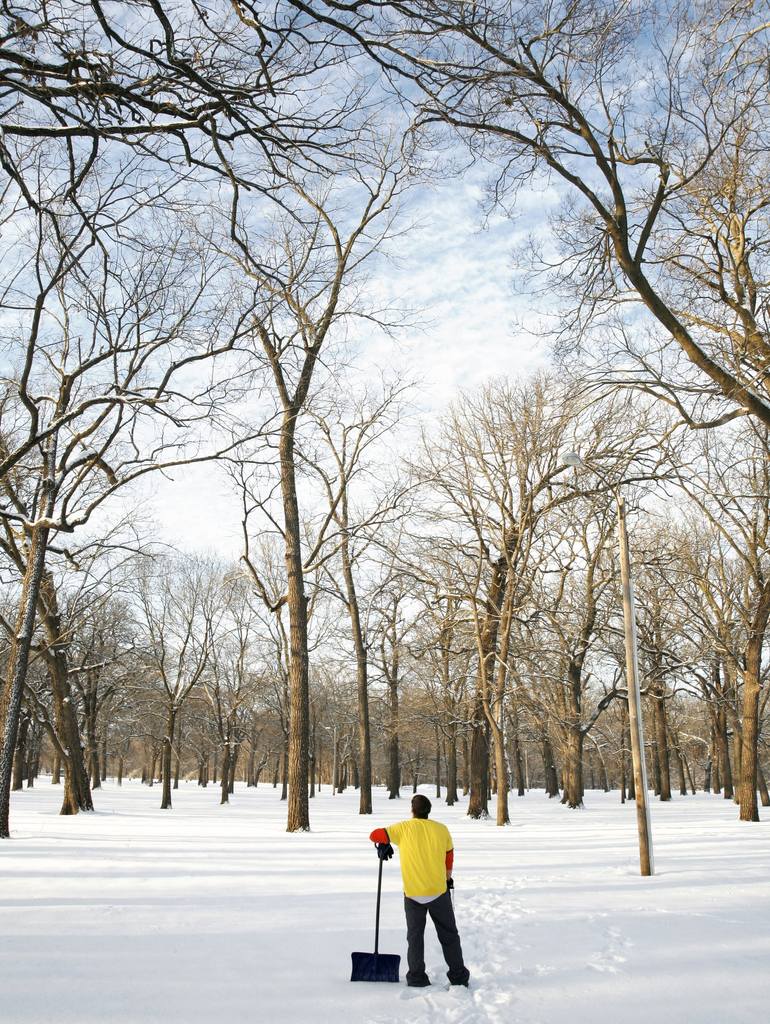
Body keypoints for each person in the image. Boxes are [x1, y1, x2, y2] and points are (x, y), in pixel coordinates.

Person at [369, 794, 470, 988]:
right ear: (428, 810)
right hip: (438, 891)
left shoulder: (402, 828)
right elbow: (449, 857)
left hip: (413, 893)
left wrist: (386, 842)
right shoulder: (441, 830)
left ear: (412, 810)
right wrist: (447, 878)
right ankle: (458, 976)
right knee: (449, 934)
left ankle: (416, 977)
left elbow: (374, 835)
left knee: (415, 936)